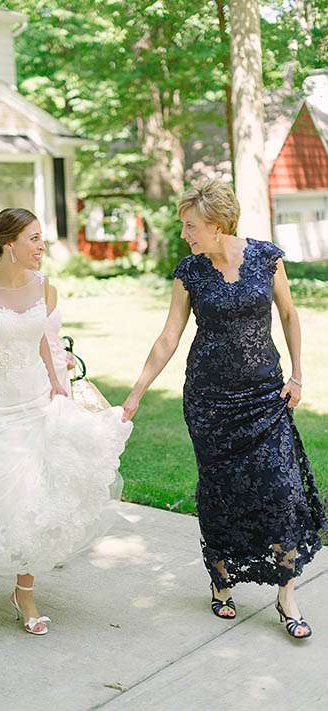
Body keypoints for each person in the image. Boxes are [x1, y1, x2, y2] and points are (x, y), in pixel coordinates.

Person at [121, 178, 327, 639]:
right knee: (220, 491)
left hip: (265, 397)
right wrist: (136, 392)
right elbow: (169, 337)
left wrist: (297, 374)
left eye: (191, 226)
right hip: (210, 402)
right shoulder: (190, 271)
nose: (185, 235)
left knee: (281, 490)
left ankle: (287, 594)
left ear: (217, 225)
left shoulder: (265, 257)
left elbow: (290, 315)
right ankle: (221, 581)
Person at [0, 207, 132, 636]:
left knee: (36, 495)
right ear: (8, 242)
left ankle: (24, 590)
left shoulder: (46, 288)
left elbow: (50, 345)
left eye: (41, 238)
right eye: (34, 238)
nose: (42, 246)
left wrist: (61, 391)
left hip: (33, 399)